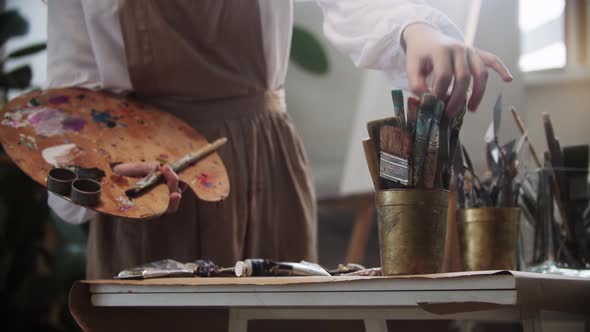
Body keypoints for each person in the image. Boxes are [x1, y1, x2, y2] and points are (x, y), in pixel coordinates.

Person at [46, 0, 512, 280]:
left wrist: (416, 29)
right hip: (149, 191)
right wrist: (103, 169)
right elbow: (75, 95)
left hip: (262, 173)